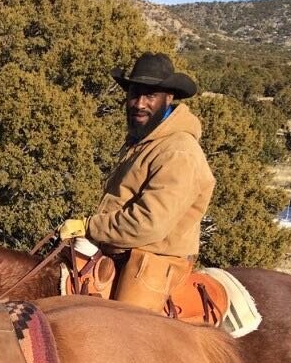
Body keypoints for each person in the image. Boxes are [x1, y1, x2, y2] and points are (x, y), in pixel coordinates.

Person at [59, 52, 215, 313]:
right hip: (119, 250)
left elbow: (149, 224)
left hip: (153, 262)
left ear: (170, 97)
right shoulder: (144, 141)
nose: (139, 103)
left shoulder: (178, 151)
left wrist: (89, 226)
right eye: (134, 93)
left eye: (150, 95)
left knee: (125, 341)